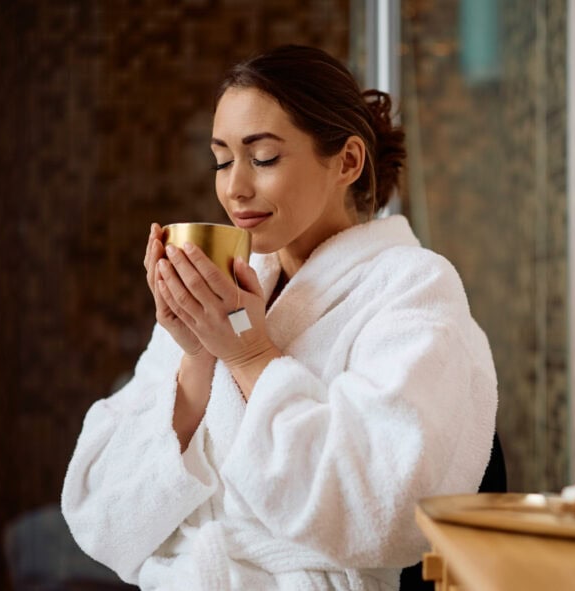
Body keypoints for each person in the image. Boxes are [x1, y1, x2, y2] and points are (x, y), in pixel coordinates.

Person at [61, 45, 498, 591]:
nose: (234, 187)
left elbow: (383, 511)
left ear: (347, 161)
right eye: (222, 160)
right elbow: (97, 514)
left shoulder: (412, 290)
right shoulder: (227, 295)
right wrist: (197, 356)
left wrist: (247, 354)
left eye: (262, 158)